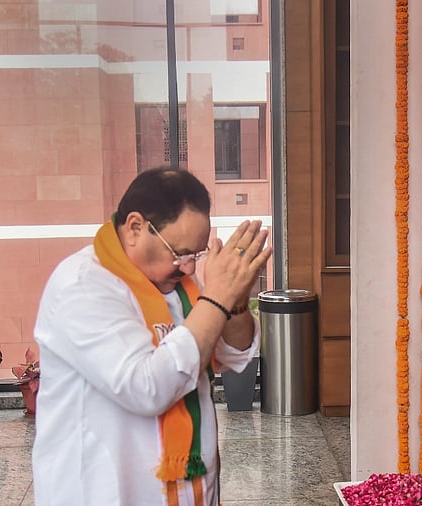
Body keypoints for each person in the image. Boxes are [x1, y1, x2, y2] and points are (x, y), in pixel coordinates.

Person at [32, 167, 272, 505]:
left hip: (191, 489)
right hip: (105, 492)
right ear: (134, 228)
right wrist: (216, 297)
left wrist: (234, 300)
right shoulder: (82, 287)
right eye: (179, 253)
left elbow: (235, 352)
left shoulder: (179, 285)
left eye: (196, 254)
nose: (189, 268)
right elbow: (146, 388)